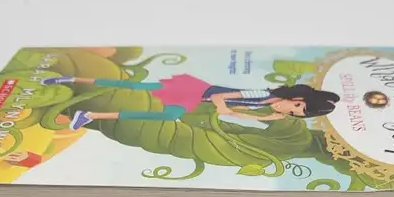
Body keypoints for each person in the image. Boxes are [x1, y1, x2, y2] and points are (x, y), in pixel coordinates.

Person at [41, 74, 339, 130]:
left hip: (195, 97)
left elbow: (234, 113)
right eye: (297, 107)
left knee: (163, 114)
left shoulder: (267, 105)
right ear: (296, 98)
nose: (291, 110)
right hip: (194, 90)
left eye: (297, 113)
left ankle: (90, 114)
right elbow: (221, 98)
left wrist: (263, 118)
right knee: (134, 86)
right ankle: (72, 79)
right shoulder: (263, 94)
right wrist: (224, 108)